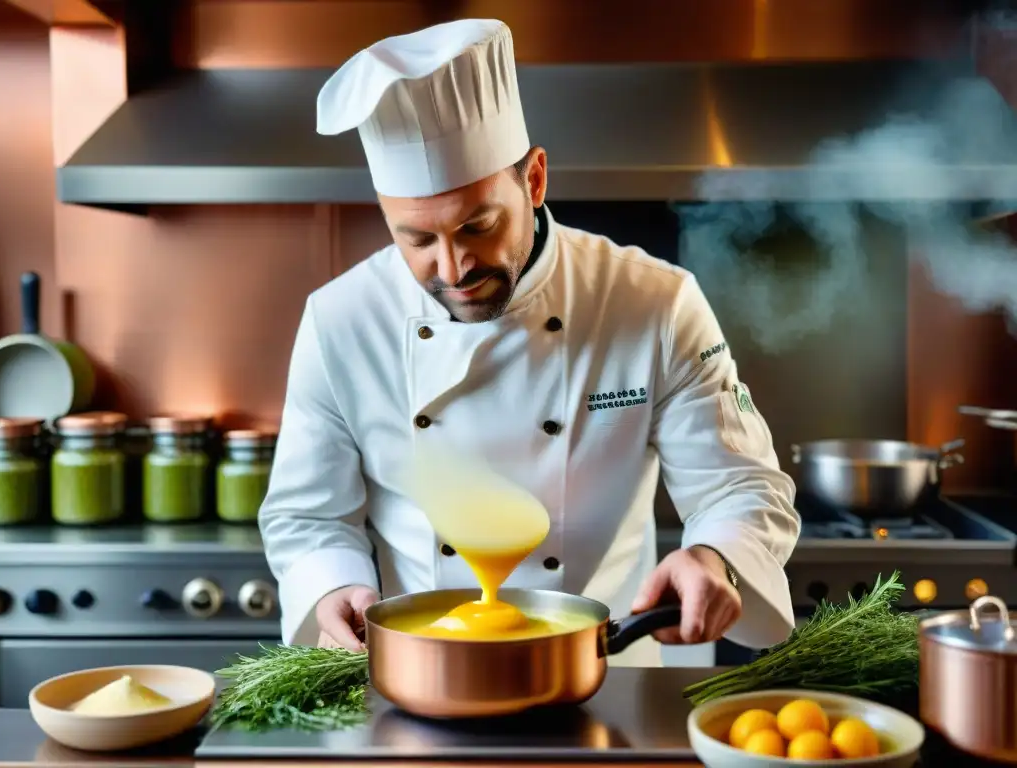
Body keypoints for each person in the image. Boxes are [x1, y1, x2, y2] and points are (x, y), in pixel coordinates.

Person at [258, 18, 800, 667]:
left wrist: (714, 556)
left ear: (534, 180)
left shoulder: (654, 301)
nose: (453, 268)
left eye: (477, 226)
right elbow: (307, 516)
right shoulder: (340, 320)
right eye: (418, 240)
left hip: (608, 671)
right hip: (421, 672)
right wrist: (333, 585)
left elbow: (739, 485)